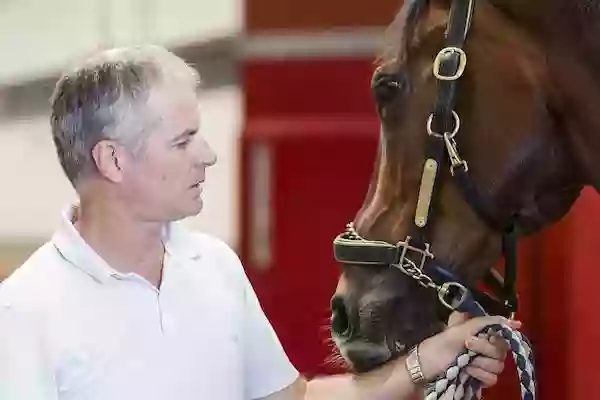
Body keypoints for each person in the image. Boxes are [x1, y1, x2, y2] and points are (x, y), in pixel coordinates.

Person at [0, 45, 518, 400]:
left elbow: (293, 398)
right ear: (113, 160)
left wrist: (430, 359)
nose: (207, 155)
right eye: (182, 141)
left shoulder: (215, 267)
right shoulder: (25, 313)